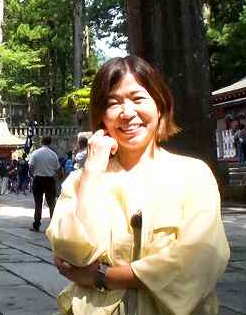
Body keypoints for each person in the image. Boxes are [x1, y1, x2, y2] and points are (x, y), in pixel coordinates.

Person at [46, 56, 230, 315]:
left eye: (138, 98)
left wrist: (102, 276)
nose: (127, 113)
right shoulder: (80, 181)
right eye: (113, 103)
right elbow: (71, 254)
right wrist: (92, 169)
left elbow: (200, 259)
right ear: (101, 117)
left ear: (160, 105)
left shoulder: (192, 175)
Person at [28, 136, 60, 232]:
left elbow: (31, 167)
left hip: (38, 179)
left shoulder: (36, 153)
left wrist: (33, 174)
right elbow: (58, 169)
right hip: (50, 180)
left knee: (38, 204)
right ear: (50, 143)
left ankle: (36, 225)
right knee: (51, 204)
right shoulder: (54, 155)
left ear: (41, 142)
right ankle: (53, 226)